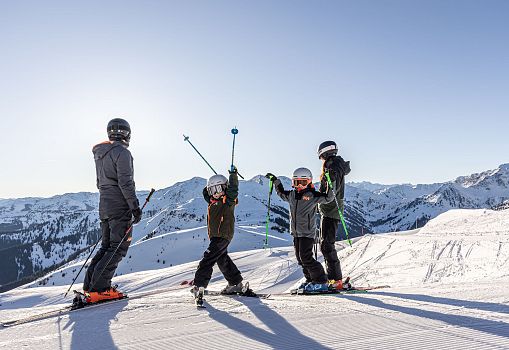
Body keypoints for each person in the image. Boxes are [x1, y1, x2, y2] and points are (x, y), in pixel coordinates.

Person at [83, 118, 142, 303]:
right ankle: (100, 289)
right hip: (119, 206)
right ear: (127, 134)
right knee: (118, 248)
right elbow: (126, 183)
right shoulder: (122, 153)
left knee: (107, 246)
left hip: (104, 205)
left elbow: (99, 183)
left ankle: (91, 286)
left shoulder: (100, 153)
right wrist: (134, 207)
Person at [266, 168, 334, 293]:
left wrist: (329, 182)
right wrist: (276, 181)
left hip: (307, 233)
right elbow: (281, 193)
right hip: (296, 233)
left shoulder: (313, 195)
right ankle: (310, 280)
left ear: (309, 182)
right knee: (300, 259)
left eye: (303, 182)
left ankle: (321, 281)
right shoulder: (291, 195)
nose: (300, 186)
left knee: (306, 257)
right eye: (296, 182)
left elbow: (329, 198)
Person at [191, 167, 244, 298]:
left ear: (225, 189)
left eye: (218, 189)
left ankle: (199, 285)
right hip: (217, 236)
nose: (215, 193)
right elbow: (206, 194)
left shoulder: (228, 201)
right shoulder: (212, 201)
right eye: (212, 190)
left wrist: (233, 176)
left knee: (207, 259)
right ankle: (235, 282)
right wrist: (209, 185)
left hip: (222, 235)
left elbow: (233, 190)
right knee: (222, 259)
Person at [317, 140, 351, 290]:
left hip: (331, 210)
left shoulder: (334, 165)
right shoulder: (335, 164)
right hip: (329, 210)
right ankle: (333, 279)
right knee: (325, 246)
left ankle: (335, 280)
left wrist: (331, 175)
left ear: (324, 153)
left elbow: (332, 186)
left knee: (327, 246)